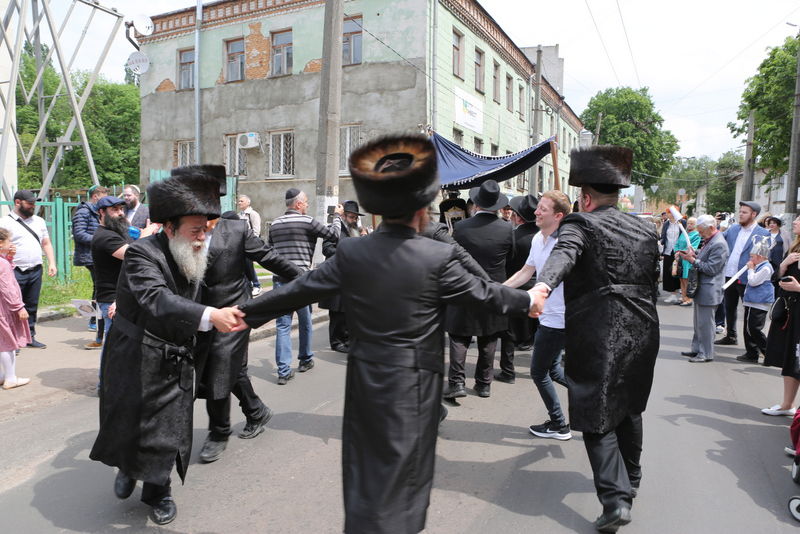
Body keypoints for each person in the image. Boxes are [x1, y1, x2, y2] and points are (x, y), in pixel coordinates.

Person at [237, 135, 536, 534]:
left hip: (365, 387)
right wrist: (529, 300)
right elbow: (486, 295)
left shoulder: (353, 253)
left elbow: (299, 290)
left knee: (365, 480)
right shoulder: (437, 256)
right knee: (407, 486)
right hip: (415, 390)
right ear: (420, 209)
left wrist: (241, 314)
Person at [89, 165, 246, 526]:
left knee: (169, 428)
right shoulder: (143, 254)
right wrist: (210, 315)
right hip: (134, 354)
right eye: (195, 229)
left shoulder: (193, 250)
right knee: (129, 418)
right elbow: (157, 298)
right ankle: (127, 468)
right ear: (170, 227)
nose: (202, 237)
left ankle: (159, 492)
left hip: (175, 357)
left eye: (207, 229)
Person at [530, 146, 660, 532]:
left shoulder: (579, 224)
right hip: (644, 329)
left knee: (596, 413)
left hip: (599, 332)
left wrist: (542, 286)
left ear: (584, 197)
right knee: (629, 407)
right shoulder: (645, 227)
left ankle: (616, 500)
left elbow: (563, 255)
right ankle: (631, 480)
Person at [195, 210, 302, 464]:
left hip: (234, 310)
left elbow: (269, 257)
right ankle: (256, 411)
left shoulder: (236, 229)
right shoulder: (178, 232)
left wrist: (307, 280)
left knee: (220, 366)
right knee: (232, 369)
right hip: (200, 312)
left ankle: (219, 432)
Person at [504, 190, 571, 440]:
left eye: (542, 208)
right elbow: (526, 271)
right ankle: (594, 395)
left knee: (538, 372)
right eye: (538, 207)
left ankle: (559, 424)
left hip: (559, 319)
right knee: (553, 370)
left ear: (558, 216)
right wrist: (499, 290)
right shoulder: (537, 239)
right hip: (547, 315)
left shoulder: (566, 244)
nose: (536, 212)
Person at [443, 179, 514, 399]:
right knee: (489, 336)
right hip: (494, 286)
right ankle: (484, 384)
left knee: (459, 336)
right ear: (497, 205)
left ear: (476, 204)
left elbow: (452, 257)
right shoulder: (507, 228)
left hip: (464, 286)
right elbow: (511, 259)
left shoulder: (461, 226)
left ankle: (456, 383)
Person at [267, 188, 342, 384]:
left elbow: (271, 252)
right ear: (298, 204)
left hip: (280, 280)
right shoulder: (307, 221)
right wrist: (336, 216)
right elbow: (333, 235)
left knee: (283, 326)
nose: (307, 205)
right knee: (305, 321)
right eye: (306, 202)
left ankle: (283, 371)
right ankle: (305, 359)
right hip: (301, 280)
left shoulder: (274, 224)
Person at [90, 195, 153, 390]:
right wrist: (146, 236)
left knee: (126, 342)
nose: (120, 213)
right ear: (101, 213)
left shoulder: (118, 231)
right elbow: (134, 255)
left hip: (124, 295)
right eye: (114, 210)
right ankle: (106, 386)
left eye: (121, 209)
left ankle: (123, 382)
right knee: (114, 344)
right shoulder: (104, 236)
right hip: (112, 298)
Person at [0, 190, 57, 349]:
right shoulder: (4, 222)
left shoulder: (39, 221)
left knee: (31, 305)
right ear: (18, 202)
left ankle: (30, 336)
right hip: (13, 271)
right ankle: (11, 340)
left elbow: (46, 243)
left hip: (35, 269)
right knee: (13, 306)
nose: (33, 206)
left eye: (34, 203)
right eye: (30, 203)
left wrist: (52, 263)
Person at [496, 194, 539, 383]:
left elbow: (508, 263)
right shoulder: (543, 236)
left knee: (509, 333)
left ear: (518, 217)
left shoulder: (513, 236)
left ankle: (508, 370)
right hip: (539, 289)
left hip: (516, 286)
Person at [716, 201, 770, 346]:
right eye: (740, 211)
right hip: (729, 275)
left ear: (754, 215)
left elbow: (764, 258)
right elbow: (718, 239)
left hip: (748, 277)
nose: (741, 214)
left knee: (749, 313)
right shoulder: (733, 229)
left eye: (744, 212)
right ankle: (731, 336)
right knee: (729, 307)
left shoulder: (763, 233)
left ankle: (751, 347)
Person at [677, 215, 729, 363]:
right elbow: (706, 258)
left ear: (711, 228)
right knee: (699, 322)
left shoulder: (719, 243)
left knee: (706, 324)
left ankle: (706, 353)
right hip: (704, 287)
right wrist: (695, 254)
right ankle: (697, 349)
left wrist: (693, 260)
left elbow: (711, 268)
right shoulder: (711, 240)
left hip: (710, 288)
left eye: (702, 232)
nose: (700, 235)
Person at [763, 215, 800, 417]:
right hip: (790, 310)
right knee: (789, 359)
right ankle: (787, 404)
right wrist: (784, 265)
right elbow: (777, 276)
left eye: (799, 220)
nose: (794, 221)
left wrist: (798, 287)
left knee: (798, 358)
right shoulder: (794, 247)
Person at [319, 200, 365, 353]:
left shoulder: (356, 231)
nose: (354, 220)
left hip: (353, 278)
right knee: (337, 311)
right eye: (352, 217)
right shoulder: (334, 229)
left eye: (355, 218)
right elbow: (327, 249)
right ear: (344, 216)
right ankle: (336, 341)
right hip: (337, 275)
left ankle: (347, 339)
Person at [73, 185, 109, 344]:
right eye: (103, 197)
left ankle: (96, 321)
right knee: (100, 288)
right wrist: (99, 240)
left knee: (98, 288)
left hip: (96, 254)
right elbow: (79, 234)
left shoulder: (95, 211)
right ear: (95, 196)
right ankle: (95, 321)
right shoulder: (83, 211)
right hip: (90, 256)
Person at [734, 238, 775, 363]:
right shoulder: (760, 266)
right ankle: (751, 353)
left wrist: (751, 269)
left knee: (754, 328)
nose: (750, 260)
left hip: (759, 303)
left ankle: (769, 354)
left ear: (760, 256)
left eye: (752, 257)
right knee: (748, 328)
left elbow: (753, 281)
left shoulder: (766, 268)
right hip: (753, 302)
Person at [0, 227, 31, 389]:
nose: (11, 244)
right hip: (4, 310)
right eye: (9, 241)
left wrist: (9, 257)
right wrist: (19, 307)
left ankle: (2, 375)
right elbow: (7, 288)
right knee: (8, 344)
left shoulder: (3, 261)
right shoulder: (2, 263)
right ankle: (11, 378)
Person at [237, 194, 264, 296]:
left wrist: (252, 242)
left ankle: (257, 285)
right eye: (239, 201)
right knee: (243, 265)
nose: (239, 203)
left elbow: (256, 231)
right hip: (241, 244)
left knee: (249, 265)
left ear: (248, 202)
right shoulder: (239, 215)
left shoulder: (253, 214)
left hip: (250, 244)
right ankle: (249, 286)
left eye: (242, 201)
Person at [674, 217, 701, 306]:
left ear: (695, 225)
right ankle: (683, 297)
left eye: (692, 223)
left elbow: (693, 247)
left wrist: (681, 252)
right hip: (680, 258)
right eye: (688, 223)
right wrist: (677, 251)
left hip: (688, 259)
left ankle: (689, 299)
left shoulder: (696, 235)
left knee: (687, 279)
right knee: (681, 278)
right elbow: (677, 244)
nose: (689, 225)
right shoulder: (684, 233)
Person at [660, 210, 685, 303]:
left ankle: (682, 293)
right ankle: (673, 294)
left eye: (669, 213)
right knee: (669, 272)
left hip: (679, 251)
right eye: (667, 213)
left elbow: (685, 236)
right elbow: (663, 236)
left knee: (679, 272)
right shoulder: (666, 224)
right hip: (668, 251)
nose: (667, 214)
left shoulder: (682, 223)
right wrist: (660, 242)